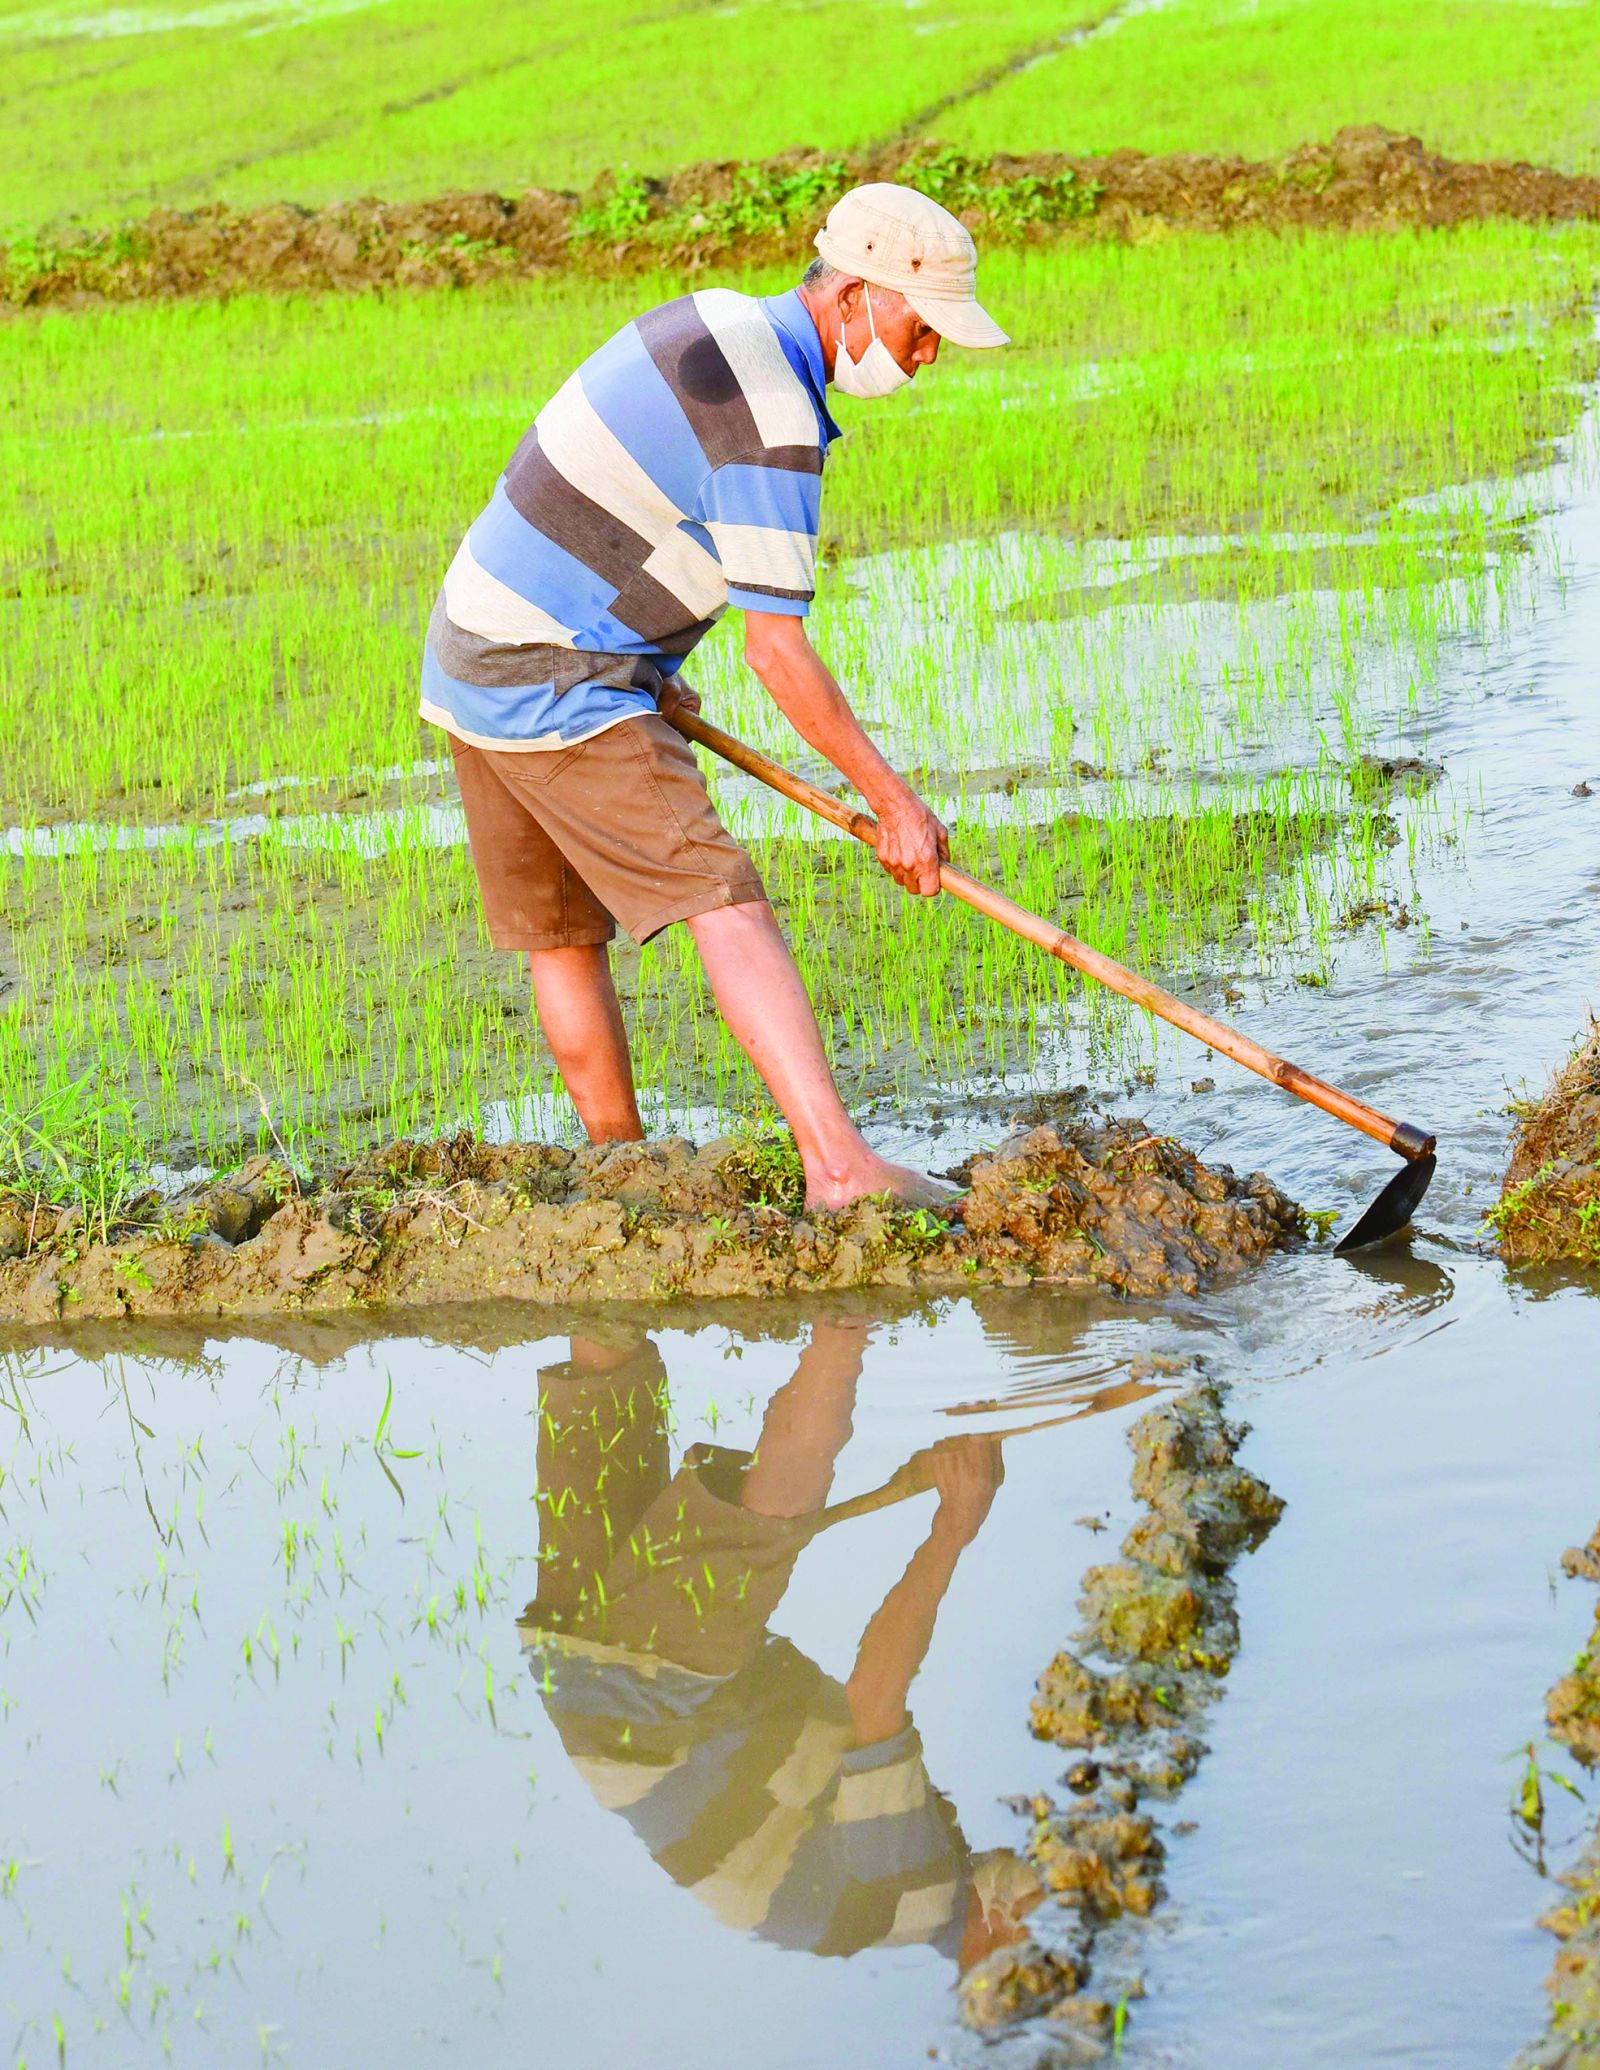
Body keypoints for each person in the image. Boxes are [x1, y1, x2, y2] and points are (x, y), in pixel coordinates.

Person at [421, 184, 1008, 1209]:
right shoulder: (775, 418)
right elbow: (777, 654)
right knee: (721, 896)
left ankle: (619, 1167)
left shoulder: (717, 318)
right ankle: (838, 1167)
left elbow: (636, 507)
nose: (927, 357)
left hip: (473, 648)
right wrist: (893, 804)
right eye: (922, 329)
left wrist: (657, 671)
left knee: (562, 934)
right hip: (558, 672)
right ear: (859, 296)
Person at [517, 1321, 1045, 1968]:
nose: (1046, 1888)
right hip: (581, 1701)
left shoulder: (925, 1897)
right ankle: (596, 1278)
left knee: (768, 1522)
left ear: (990, 1944)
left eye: (1041, 1919)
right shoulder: (888, 1911)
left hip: (654, 1704)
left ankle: (842, 1318)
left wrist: (953, 1526)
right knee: (608, 1391)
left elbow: (872, 1703)